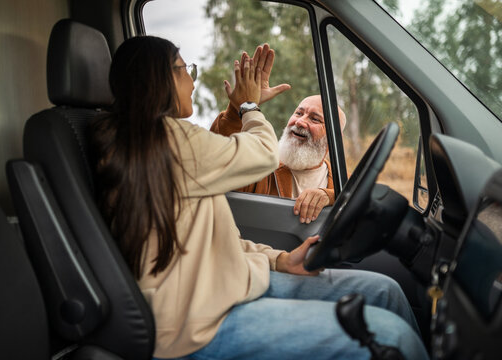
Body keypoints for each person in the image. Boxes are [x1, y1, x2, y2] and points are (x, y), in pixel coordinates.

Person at [91, 36, 429, 360]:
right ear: (159, 79)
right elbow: (262, 153)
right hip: (196, 322)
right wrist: (247, 106)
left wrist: (279, 260)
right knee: (390, 336)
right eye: (186, 70)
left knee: (386, 291)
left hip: (228, 285)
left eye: (316, 119)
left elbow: (215, 242)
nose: (193, 83)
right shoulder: (165, 141)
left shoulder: (152, 145)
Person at [211, 92, 346, 224]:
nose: (300, 122)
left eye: (315, 119)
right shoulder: (261, 165)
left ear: (334, 138)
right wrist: (239, 106)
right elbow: (221, 159)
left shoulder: (344, 183)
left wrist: (332, 197)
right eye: (298, 113)